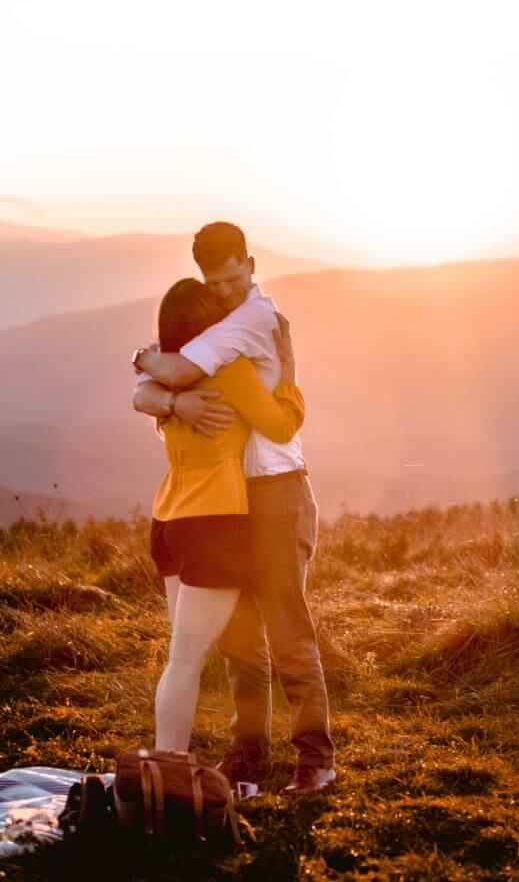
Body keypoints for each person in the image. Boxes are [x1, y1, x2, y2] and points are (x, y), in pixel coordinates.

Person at [133, 223, 335, 796]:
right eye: (214, 283)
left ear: (250, 262)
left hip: (274, 491)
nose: (226, 290)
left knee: (285, 629)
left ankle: (315, 760)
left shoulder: (250, 324)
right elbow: (153, 385)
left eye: (233, 277)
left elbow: (278, 422)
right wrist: (162, 388)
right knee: (241, 644)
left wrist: (290, 381)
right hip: (230, 504)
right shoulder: (219, 330)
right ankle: (249, 754)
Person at [149, 277, 305, 755]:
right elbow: (280, 425)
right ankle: (169, 764)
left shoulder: (161, 381)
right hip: (212, 523)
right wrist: (290, 378)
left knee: (183, 656)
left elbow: (145, 395)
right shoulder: (231, 371)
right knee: (186, 659)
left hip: (167, 519)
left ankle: (171, 759)